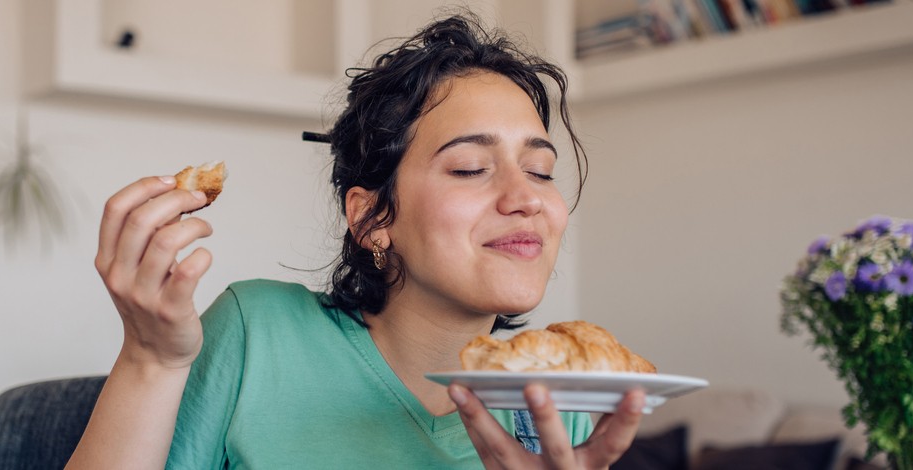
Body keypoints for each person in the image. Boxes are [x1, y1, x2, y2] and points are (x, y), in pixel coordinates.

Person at [68, 12, 645, 470]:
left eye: (541, 171)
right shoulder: (258, 335)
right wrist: (149, 360)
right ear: (370, 219)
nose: (527, 198)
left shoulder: (558, 398)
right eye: (470, 167)